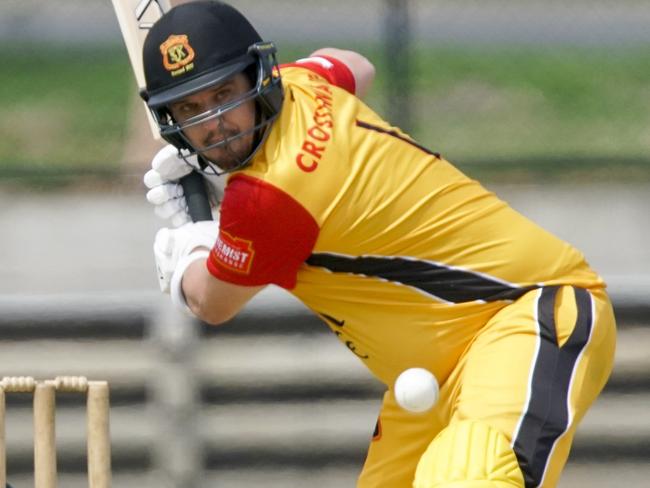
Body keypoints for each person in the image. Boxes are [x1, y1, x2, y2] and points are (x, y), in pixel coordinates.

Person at [140, 1, 616, 487]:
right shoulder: (304, 84)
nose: (215, 123)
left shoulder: (267, 198)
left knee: (471, 477)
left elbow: (209, 301)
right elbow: (354, 64)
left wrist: (192, 245)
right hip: (438, 369)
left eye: (224, 95)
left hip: (529, 315)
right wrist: (229, 201)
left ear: (257, 78)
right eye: (190, 108)